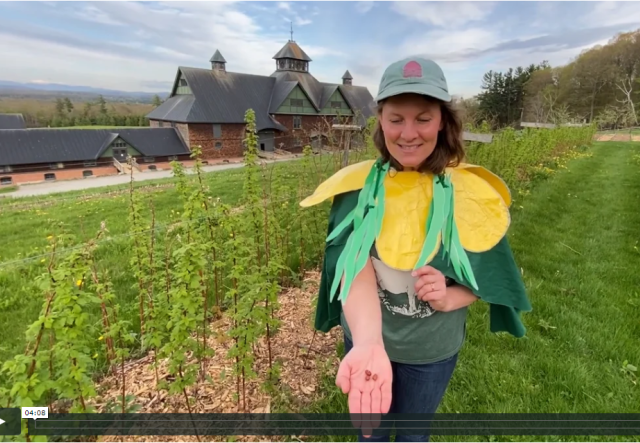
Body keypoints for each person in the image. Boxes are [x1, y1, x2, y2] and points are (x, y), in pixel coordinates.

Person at [300, 57, 532, 442]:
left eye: (423, 118)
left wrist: (449, 297)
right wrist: (370, 341)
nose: (409, 133)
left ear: (443, 121)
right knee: (369, 435)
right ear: (380, 121)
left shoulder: (469, 194)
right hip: (368, 342)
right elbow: (353, 268)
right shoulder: (358, 191)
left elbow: (488, 276)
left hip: (431, 353)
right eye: (396, 118)